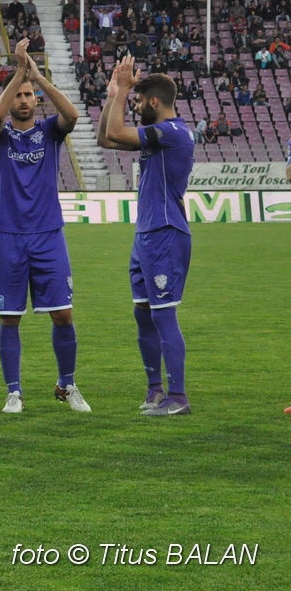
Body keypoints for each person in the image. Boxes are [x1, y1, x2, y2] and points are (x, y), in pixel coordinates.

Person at [0, 38, 89, 414]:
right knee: (9, 318)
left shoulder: (49, 131)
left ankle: (67, 384)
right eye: (18, 95)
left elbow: (72, 116)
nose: (24, 100)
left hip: (48, 235)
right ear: (10, 98)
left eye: (28, 94)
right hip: (7, 237)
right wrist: (18, 72)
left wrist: (38, 76)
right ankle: (14, 391)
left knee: (63, 314)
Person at [98, 56, 195, 416]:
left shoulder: (172, 132)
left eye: (138, 102)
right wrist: (114, 96)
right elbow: (106, 138)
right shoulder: (159, 136)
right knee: (143, 314)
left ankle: (178, 398)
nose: (135, 107)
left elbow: (117, 132)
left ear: (154, 101)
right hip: (147, 234)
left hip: (165, 232)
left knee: (164, 314)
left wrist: (123, 90)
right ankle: (155, 390)